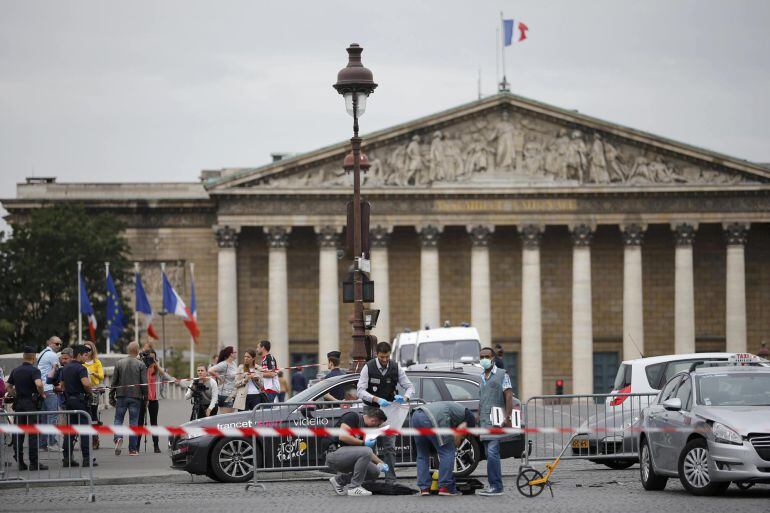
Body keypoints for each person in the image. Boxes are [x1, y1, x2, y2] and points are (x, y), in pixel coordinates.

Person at [356, 341, 414, 483]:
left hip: (389, 411)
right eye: (382, 357)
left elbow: (410, 386)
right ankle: (368, 479)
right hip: (371, 410)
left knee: (390, 446)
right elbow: (360, 391)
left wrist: (405, 397)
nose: (384, 360)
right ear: (377, 354)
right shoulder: (368, 367)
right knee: (369, 445)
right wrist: (376, 399)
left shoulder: (395, 367)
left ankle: (391, 479)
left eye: (387, 357)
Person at [411, 401, 476, 496]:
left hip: (416, 415)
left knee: (422, 454)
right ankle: (445, 487)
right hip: (433, 416)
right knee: (447, 451)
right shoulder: (470, 418)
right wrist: (455, 446)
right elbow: (459, 433)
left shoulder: (457, 410)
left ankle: (424, 488)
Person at [325, 406, 389, 496]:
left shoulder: (364, 429)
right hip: (334, 454)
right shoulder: (352, 417)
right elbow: (343, 437)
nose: (377, 427)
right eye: (378, 425)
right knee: (366, 450)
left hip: (347, 457)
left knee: (374, 471)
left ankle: (339, 480)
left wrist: (381, 463)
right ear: (374, 420)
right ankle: (354, 487)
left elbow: (367, 451)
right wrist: (363, 443)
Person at [477, 346, 515, 496]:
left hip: (496, 419)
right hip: (484, 422)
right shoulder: (481, 377)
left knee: (492, 452)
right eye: (481, 357)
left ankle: (496, 486)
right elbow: (482, 399)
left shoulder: (502, 375)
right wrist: (478, 416)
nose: (484, 359)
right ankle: (494, 484)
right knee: (489, 453)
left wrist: (509, 416)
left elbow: (509, 395)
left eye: (487, 356)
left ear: (493, 358)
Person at [6, 346, 48, 471]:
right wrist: (42, 394)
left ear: (23, 357)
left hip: (19, 405)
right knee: (33, 434)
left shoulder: (16, 370)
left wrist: (16, 394)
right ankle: (34, 463)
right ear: (34, 358)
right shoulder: (34, 371)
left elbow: (8, 386)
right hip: (31, 404)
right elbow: (39, 384)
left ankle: (20, 462)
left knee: (19, 434)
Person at [111, 341, 147, 456]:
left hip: (121, 395)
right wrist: (145, 397)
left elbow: (114, 382)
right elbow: (144, 384)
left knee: (118, 419)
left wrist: (111, 395)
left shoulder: (119, 363)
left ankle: (118, 438)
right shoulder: (141, 365)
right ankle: (132, 449)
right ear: (137, 351)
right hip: (135, 397)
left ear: (128, 350)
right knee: (133, 422)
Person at [61, 344, 96, 468]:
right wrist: (90, 392)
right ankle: (87, 459)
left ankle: (67, 458)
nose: (86, 358)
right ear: (79, 355)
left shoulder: (65, 368)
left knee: (70, 431)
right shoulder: (80, 368)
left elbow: (62, 386)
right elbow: (86, 384)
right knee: (85, 430)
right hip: (80, 402)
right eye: (85, 355)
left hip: (69, 401)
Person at [139, 350, 173, 453]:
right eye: (149, 357)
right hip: (143, 398)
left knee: (154, 423)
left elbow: (168, 378)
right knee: (140, 423)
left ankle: (156, 445)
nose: (151, 360)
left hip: (153, 399)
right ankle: (135, 446)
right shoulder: (142, 367)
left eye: (153, 358)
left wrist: (156, 364)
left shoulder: (157, 369)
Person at [36, 335, 63, 452]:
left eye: (60, 344)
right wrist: (59, 386)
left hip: (41, 388)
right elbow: (57, 371)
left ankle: (42, 445)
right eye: (56, 344)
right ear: (50, 343)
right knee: (53, 416)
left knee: (43, 417)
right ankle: (53, 443)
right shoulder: (52, 355)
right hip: (49, 388)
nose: (59, 346)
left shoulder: (42, 353)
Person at [83, 340, 104, 450]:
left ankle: (95, 438)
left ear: (92, 351)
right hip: (83, 390)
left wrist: (93, 373)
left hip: (94, 390)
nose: (86, 352)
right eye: (84, 349)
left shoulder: (97, 362)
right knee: (84, 414)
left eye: (89, 349)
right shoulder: (81, 362)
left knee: (93, 414)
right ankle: (85, 439)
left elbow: (101, 376)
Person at [208, 346, 238, 414]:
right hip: (225, 394)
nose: (236, 353)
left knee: (231, 417)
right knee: (226, 418)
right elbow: (210, 370)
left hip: (232, 394)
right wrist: (219, 378)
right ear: (231, 354)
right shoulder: (224, 364)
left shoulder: (233, 363)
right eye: (235, 352)